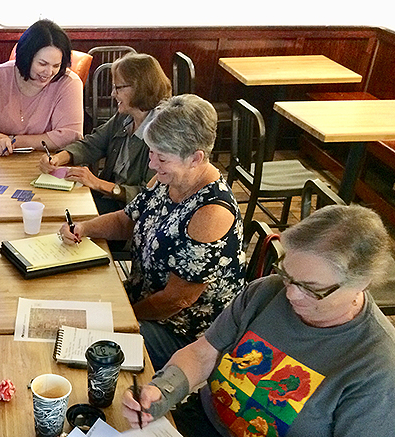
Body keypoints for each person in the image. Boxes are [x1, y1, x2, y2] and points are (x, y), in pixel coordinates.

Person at [123, 205, 395, 437]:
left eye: (311, 288)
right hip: (201, 421)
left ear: (363, 283)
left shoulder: (377, 365)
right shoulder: (266, 291)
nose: (290, 293)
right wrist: (163, 390)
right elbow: (203, 353)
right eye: (286, 274)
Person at [59, 94, 245, 370]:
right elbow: (127, 219)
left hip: (183, 333)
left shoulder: (211, 213)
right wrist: (83, 227)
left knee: (89, 353)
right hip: (144, 299)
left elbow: (178, 299)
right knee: (70, 307)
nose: (152, 165)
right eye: (151, 152)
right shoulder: (166, 179)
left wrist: (124, 317)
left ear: (196, 158)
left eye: (162, 157)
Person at [39, 53, 171, 214]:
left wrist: (97, 183)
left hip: (130, 213)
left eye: (118, 87)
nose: (113, 94)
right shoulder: (125, 117)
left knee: (61, 212)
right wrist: (58, 158)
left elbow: (149, 194)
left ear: (140, 86)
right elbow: (92, 144)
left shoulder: (162, 133)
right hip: (109, 200)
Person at [0, 19, 83, 155]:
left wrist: (12, 141)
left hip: (48, 162)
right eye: (42, 64)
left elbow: (70, 137)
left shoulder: (69, 82)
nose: (49, 72)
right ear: (26, 57)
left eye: (56, 66)